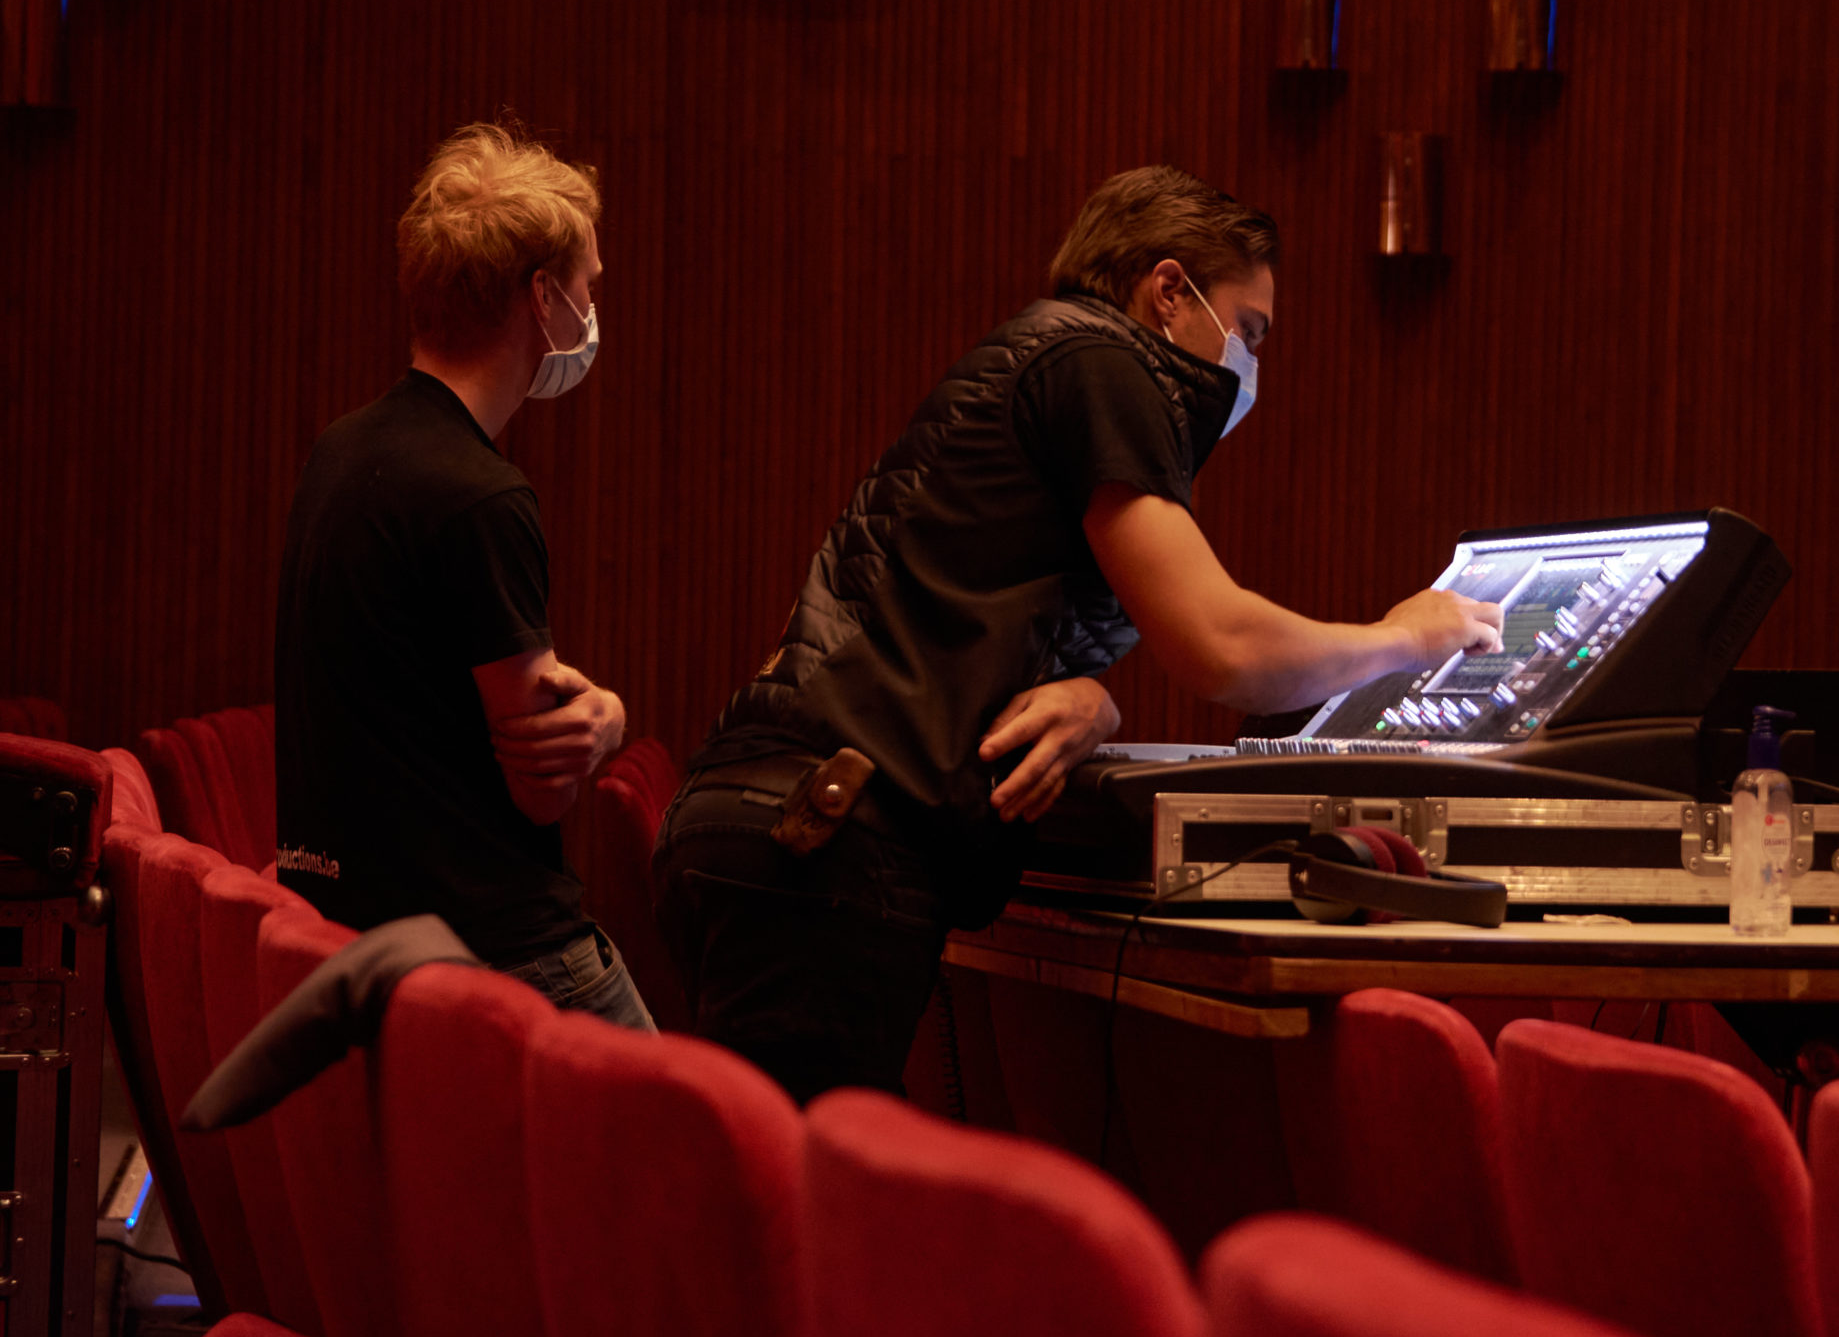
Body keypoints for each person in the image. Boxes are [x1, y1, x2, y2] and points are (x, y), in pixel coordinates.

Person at [656, 165, 1502, 1101]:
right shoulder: (1103, 362)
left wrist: (1092, 699)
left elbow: (963, 610)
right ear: (1168, 289)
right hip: (827, 838)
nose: (1250, 361)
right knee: (797, 1192)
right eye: (1249, 328)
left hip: (785, 818)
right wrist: (1406, 636)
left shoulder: (1045, 355)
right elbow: (1224, 649)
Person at [274, 121, 652, 1030]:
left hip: (352, 931)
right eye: (589, 285)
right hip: (496, 950)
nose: (593, 308)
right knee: (699, 1120)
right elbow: (541, 785)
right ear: (542, 297)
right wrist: (606, 718)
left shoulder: (339, 451)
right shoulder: (481, 496)